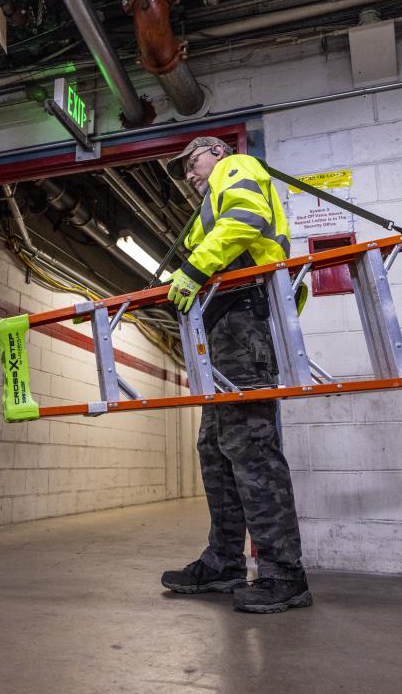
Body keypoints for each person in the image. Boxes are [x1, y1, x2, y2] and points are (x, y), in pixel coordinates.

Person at [159, 136, 311, 614]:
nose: (188, 173)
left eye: (191, 162)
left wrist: (193, 268)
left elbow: (247, 220)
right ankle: (224, 562)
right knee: (215, 448)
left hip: (244, 319)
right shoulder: (209, 204)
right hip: (223, 327)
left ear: (217, 153)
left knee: (250, 445)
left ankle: (285, 574)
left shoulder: (237, 167)